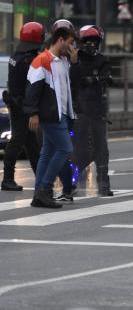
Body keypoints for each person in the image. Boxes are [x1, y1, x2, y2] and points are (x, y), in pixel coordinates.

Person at [23, 19, 77, 209]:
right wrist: (33, 113)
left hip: (61, 113)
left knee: (47, 152)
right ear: (60, 40)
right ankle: (44, 188)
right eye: (70, 43)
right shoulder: (43, 60)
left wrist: (74, 61)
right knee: (65, 149)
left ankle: (39, 193)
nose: (72, 47)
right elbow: (32, 88)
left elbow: (69, 86)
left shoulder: (63, 60)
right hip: (51, 115)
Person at [69, 25, 113, 196]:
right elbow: (73, 80)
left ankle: (104, 185)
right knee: (79, 148)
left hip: (97, 109)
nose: (91, 45)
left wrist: (95, 79)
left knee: (101, 148)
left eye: (94, 42)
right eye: (88, 42)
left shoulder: (102, 60)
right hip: (79, 108)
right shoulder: (75, 57)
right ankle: (72, 182)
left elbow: (105, 78)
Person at [2, 22, 44, 191]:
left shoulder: (16, 56)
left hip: (16, 103)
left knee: (32, 144)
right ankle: (7, 179)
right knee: (17, 141)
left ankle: (41, 179)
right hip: (22, 107)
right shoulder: (28, 60)